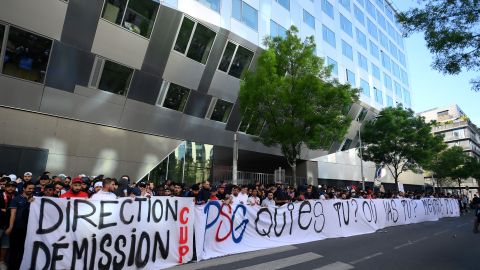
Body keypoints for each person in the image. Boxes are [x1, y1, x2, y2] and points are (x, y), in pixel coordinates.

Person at [6, 182, 35, 270]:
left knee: (24, 249)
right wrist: (10, 227)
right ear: (24, 188)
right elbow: (13, 214)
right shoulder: (16, 199)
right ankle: (12, 267)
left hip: (28, 229)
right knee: (14, 250)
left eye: (32, 189)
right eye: (29, 188)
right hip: (17, 228)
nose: (31, 190)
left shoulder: (35, 199)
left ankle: (21, 266)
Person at [0, 180, 15, 269]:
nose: (10, 188)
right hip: (0, 223)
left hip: (9, 225)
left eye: (13, 186)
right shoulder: (0, 195)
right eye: (9, 186)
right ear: (5, 187)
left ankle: (1, 262)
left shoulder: (16, 196)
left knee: (5, 245)